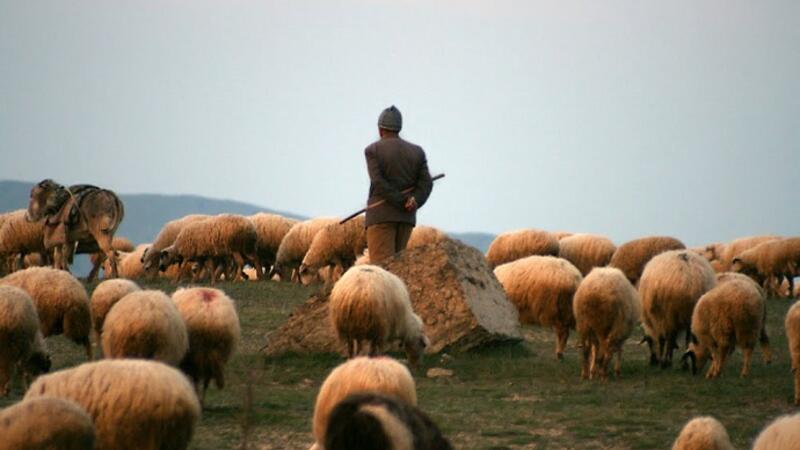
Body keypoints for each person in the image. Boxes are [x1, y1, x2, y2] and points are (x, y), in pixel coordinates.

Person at [364, 105, 433, 265]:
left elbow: (378, 182)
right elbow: (426, 183)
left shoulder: (373, 150)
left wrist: (402, 201)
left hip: (381, 217)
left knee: (383, 271)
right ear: (398, 129)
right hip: (405, 219)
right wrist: (414, 200)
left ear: (381, 130)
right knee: (399, 269)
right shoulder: (417, 152)